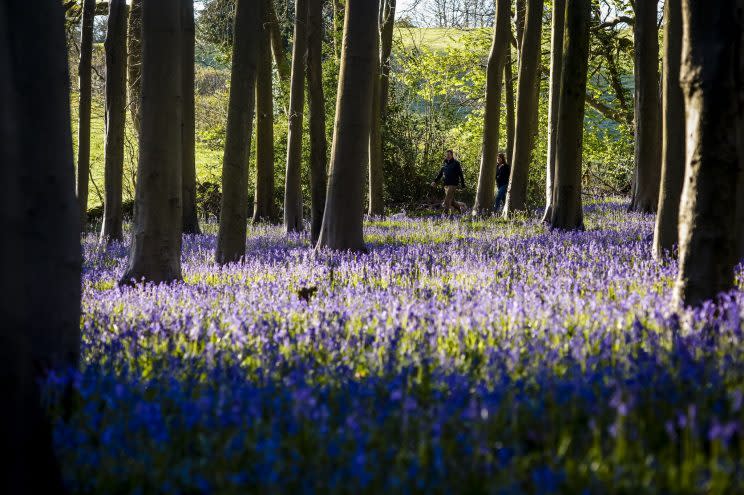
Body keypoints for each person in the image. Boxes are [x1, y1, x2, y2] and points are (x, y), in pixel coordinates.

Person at [431, 150, 466, 214]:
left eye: (449, 155)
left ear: (452, 155)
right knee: (452, 201)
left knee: (446, 200)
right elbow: (440, 174)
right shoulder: (444, 163)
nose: (447, 156)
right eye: (446, 155)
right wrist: (434, 181)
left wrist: (463, 185)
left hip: (453, 185)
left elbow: (460, 174)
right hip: (446, 185)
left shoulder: (456, 163)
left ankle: (445, 215)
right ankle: (460, 210)